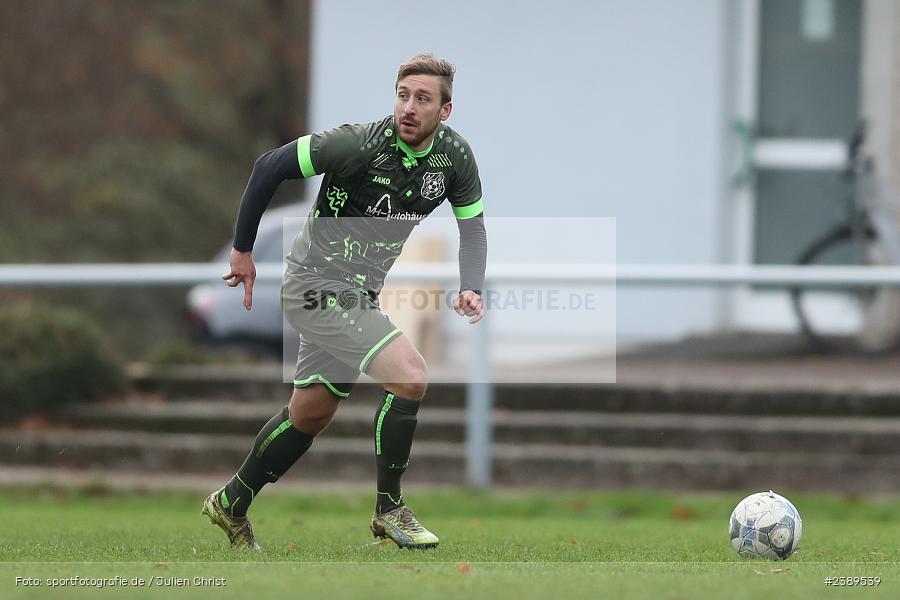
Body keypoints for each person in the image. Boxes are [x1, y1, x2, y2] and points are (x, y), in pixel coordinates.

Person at [201, 53, 487, 551]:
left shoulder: (455, 159)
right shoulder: (355, 145)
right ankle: (389, 509)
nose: (409, 107)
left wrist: (471, 284)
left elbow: (473, 228)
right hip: (314, 284)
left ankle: (231, 502)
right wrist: (243, 250)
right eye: (403, 95)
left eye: (423, 99)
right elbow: (268, 167)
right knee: (412, 375)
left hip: (359, 295)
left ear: (446, 111)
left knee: (310, 414)